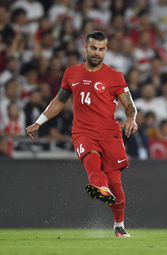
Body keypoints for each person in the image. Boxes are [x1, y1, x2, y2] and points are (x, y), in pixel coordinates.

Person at [26, 31, 138, 237]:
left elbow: (129, 105)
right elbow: (59, 101)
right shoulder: (71, 73)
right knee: (92, 162)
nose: (97, 53)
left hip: (110, 133)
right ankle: (99, 188)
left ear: (106, 50)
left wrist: (131, 119)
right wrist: (39, 122)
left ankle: (119, 225)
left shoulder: (115, 76)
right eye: (93, 48)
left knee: (115, 182)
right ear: (85, 48)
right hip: (82, 131)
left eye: (101, 49)